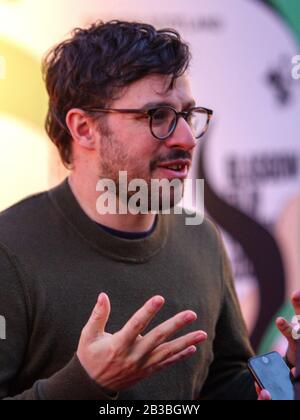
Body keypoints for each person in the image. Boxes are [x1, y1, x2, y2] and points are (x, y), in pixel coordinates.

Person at [0, 20, 297, 400]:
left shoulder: (200, 236)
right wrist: (85, 384)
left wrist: (287, 369)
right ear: (85, 128)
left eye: (188, 115)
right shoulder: (9, 252)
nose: (187, 139)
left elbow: (222, 384)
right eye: (157, 116)